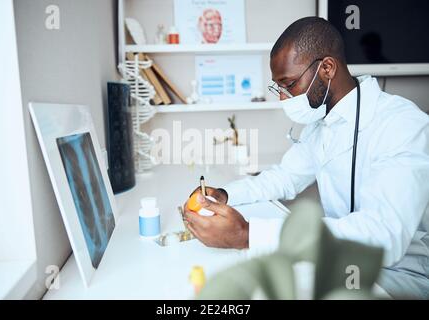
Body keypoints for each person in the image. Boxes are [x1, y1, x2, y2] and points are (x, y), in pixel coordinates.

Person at [183, 17, 429, 299]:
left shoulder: (402, 124)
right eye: (279, 87)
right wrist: (225, 195)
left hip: (398, 277)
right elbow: (284, 177)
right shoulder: (321, 124)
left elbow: (383, 236)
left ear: (326, 68)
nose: (284, 98)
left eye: (289, 84)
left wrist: (247, 234)